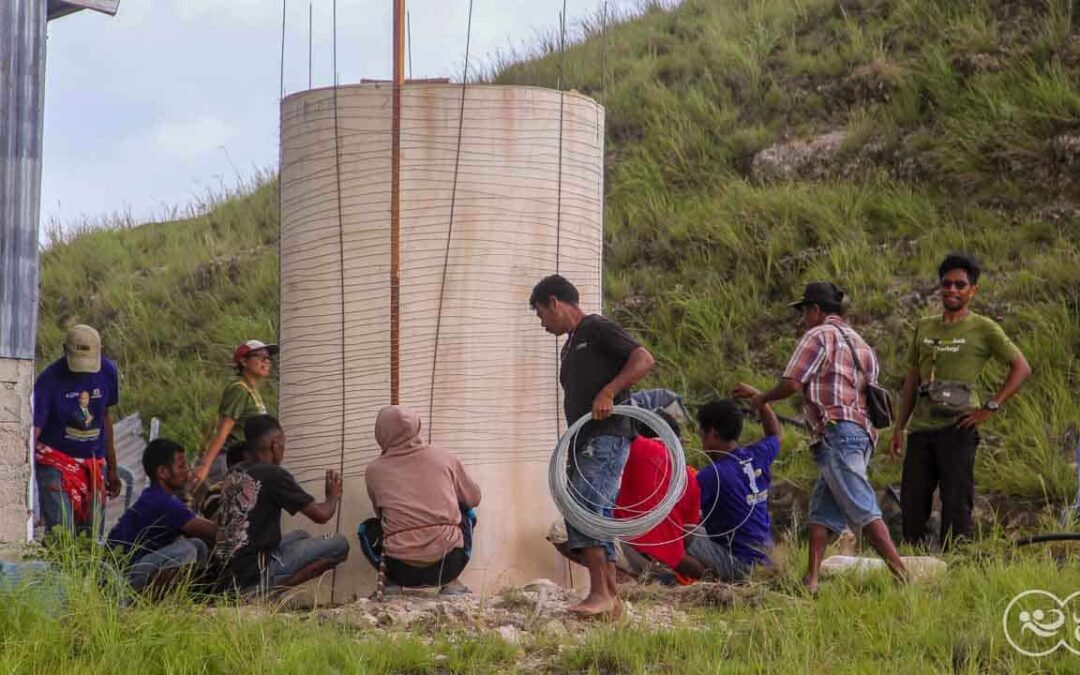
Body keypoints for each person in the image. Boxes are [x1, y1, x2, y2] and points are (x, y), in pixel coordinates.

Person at [747, 282, 907, 593]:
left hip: (838, 430)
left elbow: (792, 383)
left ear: (816, 310)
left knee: (863, 506)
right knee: (822, 508)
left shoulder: (818, 335)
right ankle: (812, 579)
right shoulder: (861, 343)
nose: (802, 319)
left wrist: (762, 399)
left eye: (804, 311)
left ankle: (901, 574)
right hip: (862, 433)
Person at [530, 274, 655, 617]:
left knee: (583, 507)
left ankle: (599, 593)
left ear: (555, 302)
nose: (542, 324)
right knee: (593, 510)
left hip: (606, 435)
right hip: (585, 440)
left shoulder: (597, 328)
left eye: (542, 314)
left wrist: (609, 391)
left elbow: (643, 358)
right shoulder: (572, 343)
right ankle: (610, 597)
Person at [890, 253, 1030, 548]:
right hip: (921, 429)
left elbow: (1021, 367)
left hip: (958, 427)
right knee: (912, 501)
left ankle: (956, 562)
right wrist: (899, 426)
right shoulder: (924, 327)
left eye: (960, 285)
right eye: (946, 284)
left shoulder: (983, 328)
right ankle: (915, 563)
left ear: (972, 290)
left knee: (956, 501)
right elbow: (912, 379)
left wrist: (990, 407)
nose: (952, 290)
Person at [215, 415, 349, 594]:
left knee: (301, 535)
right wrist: (332, 496)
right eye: (283, 445)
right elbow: (321, 515)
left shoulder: (235, 471)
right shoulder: (274, 474)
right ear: (275, 444)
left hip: (229, 571)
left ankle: (257, 586)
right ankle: (264, 592)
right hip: (254, 571)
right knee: (339, 544)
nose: (283, 450)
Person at [359, 405, 482, 594]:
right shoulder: (445, 458)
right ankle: (452, 584)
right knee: (466, 512)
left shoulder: (374, 471)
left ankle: (391, 586)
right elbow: (474, 498)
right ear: (417, 426)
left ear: (380, 433)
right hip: (448, 564)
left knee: (367, 529)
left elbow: (381, 515)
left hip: (400, 568)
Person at [33, 324, 122, 536]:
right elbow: (34, 430)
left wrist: (112, 467)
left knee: (91, 537)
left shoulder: (108, 372)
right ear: (65, 350)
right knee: (62, 532)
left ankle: (84, 570)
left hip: (93, 462)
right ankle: (58, 567)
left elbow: (104, 417)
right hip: (55, 460)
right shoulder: (49, 381)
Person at [690, 388, 780, 581]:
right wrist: (760, 399)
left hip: (740, 565)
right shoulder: (758, 454)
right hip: (767, 558)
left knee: (678, 534)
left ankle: (710, 582)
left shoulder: (711, 475)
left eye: (702, 433)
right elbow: (775, 434)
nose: (701, 439)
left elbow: (680, 514)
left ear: (712, 433)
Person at [107, 439, 217, 593]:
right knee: (188, 550)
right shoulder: (163, 503)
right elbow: (215, 532)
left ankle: (194, 594)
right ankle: (151, 602)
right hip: (121, 579)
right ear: (163, 472)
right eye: (182, 466)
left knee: (197, 545)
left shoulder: (155, 496)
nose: (187, 471)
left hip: (125, 569)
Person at [613, 411, 704, 582]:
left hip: (637, 554)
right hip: (672, 565)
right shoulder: (689, 474)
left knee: (561, 531)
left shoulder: (634, 449)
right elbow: (688, 533)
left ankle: (624, 581)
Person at [193, 340, 278, 486]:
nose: (266, 361)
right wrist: (204, 466)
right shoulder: (239, 389)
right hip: (226, 461)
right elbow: (222, 431)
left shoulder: (251, 390)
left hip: (241, 462)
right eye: (260, 357)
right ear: (244, 361)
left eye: (268, 358)